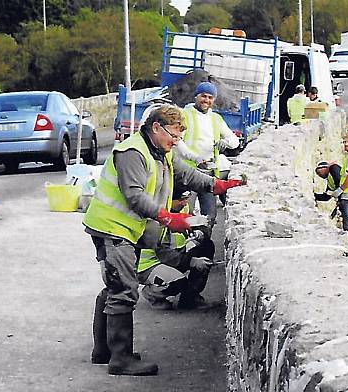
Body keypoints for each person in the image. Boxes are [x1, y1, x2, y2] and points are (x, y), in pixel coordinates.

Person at [82, 104, 244, 376]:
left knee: (115, 286)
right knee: (123, 290)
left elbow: (188, 174)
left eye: (180, 137)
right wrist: (168, 217)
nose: (176, 142)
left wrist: (217, 185)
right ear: (156, 127)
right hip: (112, 228)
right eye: (174, 135)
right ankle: (120, 359)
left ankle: (104, 351)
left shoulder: (161, 152)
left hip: (125, 229)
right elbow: (134, 196)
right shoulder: (132, 152)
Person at [177, 82, 240, 223]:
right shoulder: (184, 115)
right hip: (188, 173)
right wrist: (195, 158)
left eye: (210, 97)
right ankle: (184, 243)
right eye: (203, 96)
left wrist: (226, 142)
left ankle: (204, 242)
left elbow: (234, 140)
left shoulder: (216, 119)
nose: (206, 100)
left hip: (209, 172)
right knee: (186, 212)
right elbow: (177, 142)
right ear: (196, 96)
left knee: (209, 215)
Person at [138, 223, 216, 310]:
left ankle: (189, 299)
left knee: (206, 246)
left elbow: (197, 221)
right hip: (150, 265)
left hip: (175, 255)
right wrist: (192, 261)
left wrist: (200, 231)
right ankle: (152, 294)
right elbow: (163, 254)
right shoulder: (155, 221)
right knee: (178, 283)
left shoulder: (180, 210)